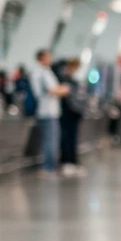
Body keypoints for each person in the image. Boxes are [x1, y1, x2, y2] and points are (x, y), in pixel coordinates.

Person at [32, 49, 67, 178]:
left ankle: (51, 166)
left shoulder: (47, 72)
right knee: (49, 140)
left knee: (52, 140)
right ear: (41, 58)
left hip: (52, 111)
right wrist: (63, 89)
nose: (50, 59)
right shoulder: (40, 73)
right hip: (46, 112)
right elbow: (52, 91)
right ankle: (48, 166)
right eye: (48, 57)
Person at [57, 58, 86, 177]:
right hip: (66, 112)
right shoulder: (63, 79)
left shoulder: (74, 81)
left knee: (73, 137)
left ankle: (72, 161)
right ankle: (66, 161)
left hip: (74, 112)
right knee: (66, 137)